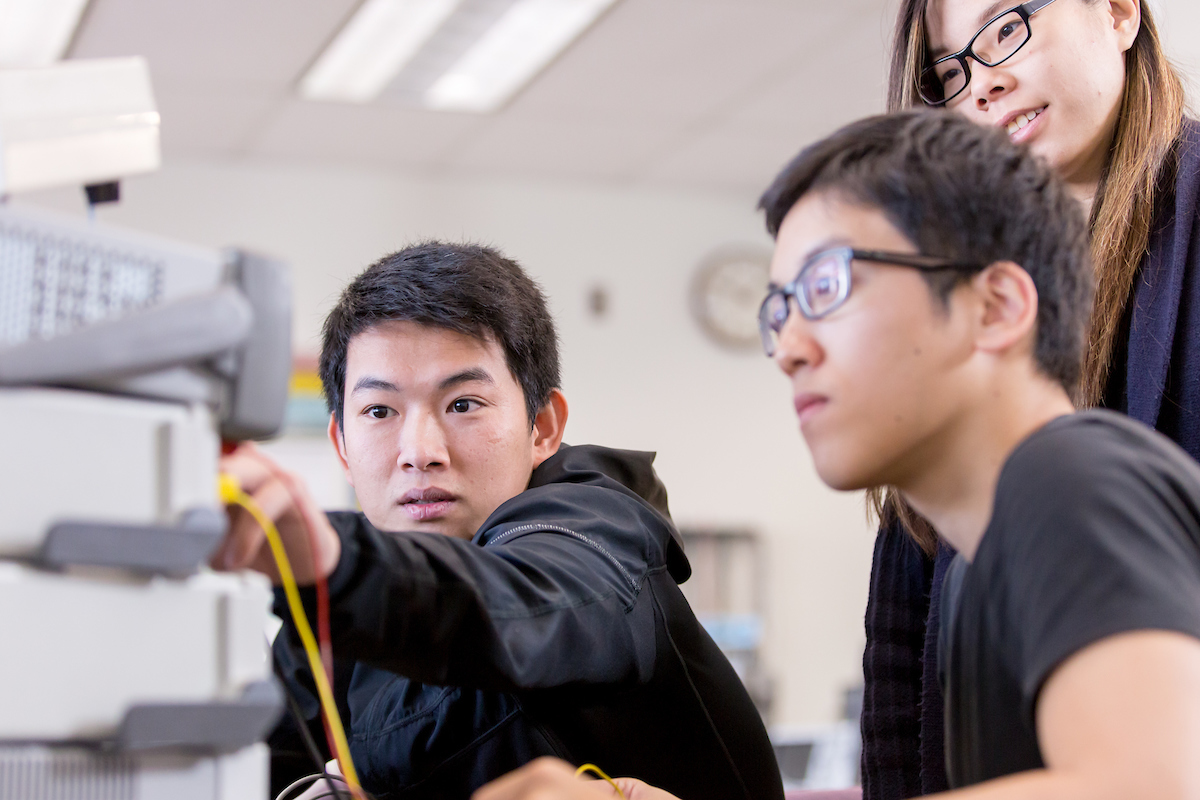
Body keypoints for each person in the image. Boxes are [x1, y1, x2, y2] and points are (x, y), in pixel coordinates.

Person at [472, 111, 1200, 800]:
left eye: (827, 286)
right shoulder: (975, 574)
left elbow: (1146, 784)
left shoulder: (1066, 478)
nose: (788, 348)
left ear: (997, 306)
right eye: (779, 310)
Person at [214, 242, 784, 799]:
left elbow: (515, 612)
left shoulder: (592, 530)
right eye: (379, 411)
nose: (418, 450)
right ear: (342, 444)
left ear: (542, 427)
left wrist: (334, 560)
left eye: (462, 404)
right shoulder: (322, 626)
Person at [863, 1, 1198, 795]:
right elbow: (903, 653)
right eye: (950, 71)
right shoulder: (966, 300)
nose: (981, 85)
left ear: (1119, 12)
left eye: (1007, 28)